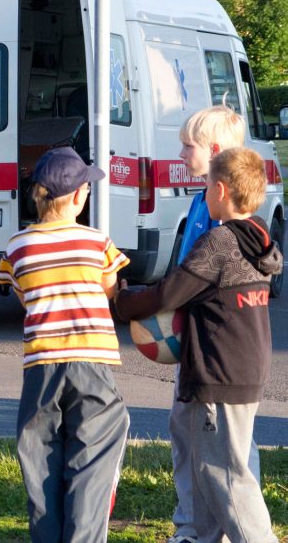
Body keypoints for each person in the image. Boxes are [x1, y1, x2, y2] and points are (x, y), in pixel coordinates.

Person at [114, 147, 281, 543]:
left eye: (206, 184)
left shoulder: (220, 243)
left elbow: (168, 294)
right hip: (244, 369)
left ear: (221, 190)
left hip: (218, 374)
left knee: (228, 476)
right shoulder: (259, 238)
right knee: (209, 467)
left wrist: (123, 300)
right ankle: (195, 537)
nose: (203, 190)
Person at [0, 146, 130, 542]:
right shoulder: (96, 243)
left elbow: (24, 296)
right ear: (75, 197)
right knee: (91, 462)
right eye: (86, 188)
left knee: (40, 463)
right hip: (92, 363)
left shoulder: (16, 247)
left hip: (42, 367)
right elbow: (110, 289)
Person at [166, 105, 253, 543]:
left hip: (217, 355)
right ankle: (194, 527)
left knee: (230, 451)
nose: (180, 153)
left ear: (214, 151)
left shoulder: (230, 221)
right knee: (184, 433)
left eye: (188, 146)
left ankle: (235, 530)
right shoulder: (200, 202)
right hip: (192, 346)